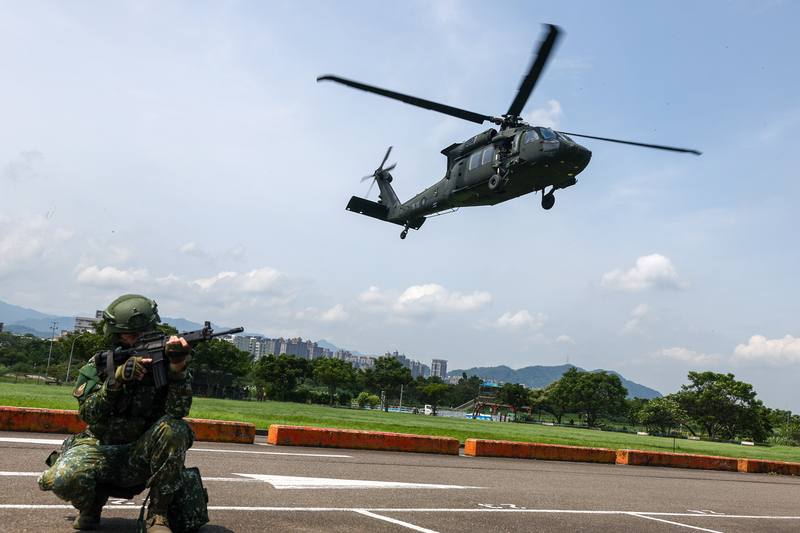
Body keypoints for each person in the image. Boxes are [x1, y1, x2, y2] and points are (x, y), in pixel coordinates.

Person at [38, 294, 195, 532]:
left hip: (140, 452)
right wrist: (116, 381)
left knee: (176, 429)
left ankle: (158, 516)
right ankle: (90, 505)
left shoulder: (168, 362)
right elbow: (88, 414)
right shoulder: (101, 364)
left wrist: (177, 370)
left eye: (143, 332)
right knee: (61, 479)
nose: (137, 339)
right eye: (130, 334)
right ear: (116, 335)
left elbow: (178, 411)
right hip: (101, 447)